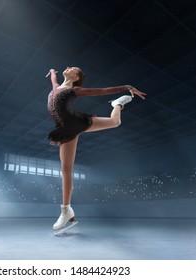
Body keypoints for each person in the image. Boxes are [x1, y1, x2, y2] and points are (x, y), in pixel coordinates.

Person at [46, 67, 146, 232]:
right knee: (66, 169)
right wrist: (52, 72)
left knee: (115, 122)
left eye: (72, 69)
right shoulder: (56, 87)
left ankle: (118, 104)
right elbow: (54, 81)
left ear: (76, 77)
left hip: (75, 122)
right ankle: (67, 210)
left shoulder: (75, 90)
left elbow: (103, 90)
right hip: (65, 127)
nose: (68, 67)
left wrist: (126, 87)